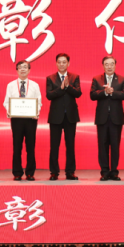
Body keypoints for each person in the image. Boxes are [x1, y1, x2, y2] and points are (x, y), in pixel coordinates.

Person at [90, 55, 124, 181]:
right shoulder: (97, 79)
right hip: (102, 118)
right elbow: (92, 95)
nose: (109, 66)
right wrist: (105, 92)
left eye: (112, 64)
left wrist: (113, 92)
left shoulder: (122, 79)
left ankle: (114, 172)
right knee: (102, 145)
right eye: (106, 64)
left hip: (116, 118)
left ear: (115, 65)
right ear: (103, 66)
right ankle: (104, 172)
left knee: (115, 145)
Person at [3, 60, 43, 181]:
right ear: (17, 70)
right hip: (16, 120)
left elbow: (39, 102)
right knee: (17, 146)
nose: (23, 69)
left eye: (25, 67)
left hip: (31, 119)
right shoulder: (10, 85)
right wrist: (9, 110)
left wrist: (36, 112)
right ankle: (17, 173)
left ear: (29, 70)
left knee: (30, 146)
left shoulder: (35, 85)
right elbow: (6, 102)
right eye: (20, 67)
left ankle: (30, 173)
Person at [46, 53, 82, 181]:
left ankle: (70, 172)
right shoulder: (50, 78)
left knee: (70, 145)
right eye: (59, 62)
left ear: (68, 63)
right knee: (54, 145)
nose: (61, 64)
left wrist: (68, 86)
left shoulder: (74, 77)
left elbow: (78, 93)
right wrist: (61, 89)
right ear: (56, 63)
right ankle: (54, 172)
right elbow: (49, 95)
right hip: (55, 116)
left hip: (70, 116)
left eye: (64, 62)